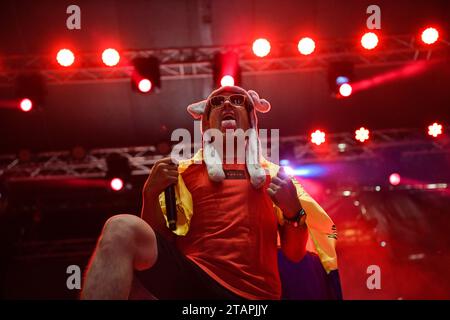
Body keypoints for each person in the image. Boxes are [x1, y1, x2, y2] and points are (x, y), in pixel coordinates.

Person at [81, 86, 339, 300]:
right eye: (217, 102)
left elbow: (294, 254)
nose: (227, 104)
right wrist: (150, 194)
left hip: (253, 296)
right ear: (205, 124)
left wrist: (294, 210)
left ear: (252, 120)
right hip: (192, 283)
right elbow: (158, 244)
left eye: (237, 100)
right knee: (121, 228)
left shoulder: (274, 177)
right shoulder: (182, 173)